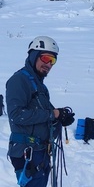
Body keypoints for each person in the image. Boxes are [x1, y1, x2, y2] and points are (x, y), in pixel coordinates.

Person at [6, 36, 75, 187]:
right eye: (45, 58)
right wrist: (53, 114)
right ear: (33, 55)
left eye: (53, 61)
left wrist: (60, 118)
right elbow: (16, 116)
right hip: (27, 153)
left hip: (40, 152)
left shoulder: (40, 86)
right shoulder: (19, 80)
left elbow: (43, 114)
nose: (49, 64)